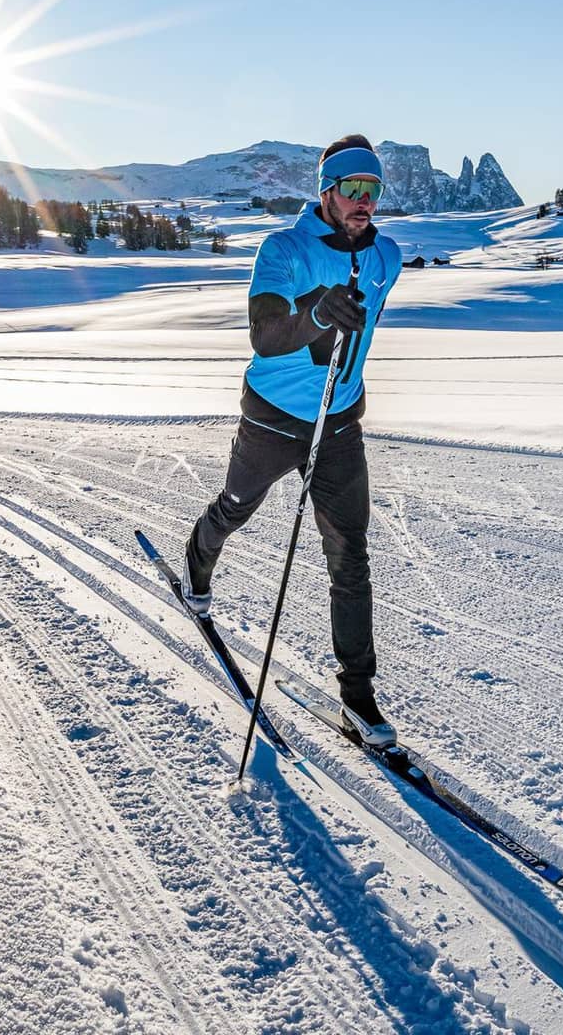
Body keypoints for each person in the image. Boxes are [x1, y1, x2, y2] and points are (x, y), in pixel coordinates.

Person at [185, 134, 403, 746]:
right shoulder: (282, 249)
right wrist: (317, 314)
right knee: (236, 508)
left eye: (373, 190)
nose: (363, 201)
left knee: (349, 553)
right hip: (274, 418)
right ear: (327, 190)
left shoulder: (387, 256)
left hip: (338, 424)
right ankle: (198, 560)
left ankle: (358, 698)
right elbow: (265, 335)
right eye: (352, 189)